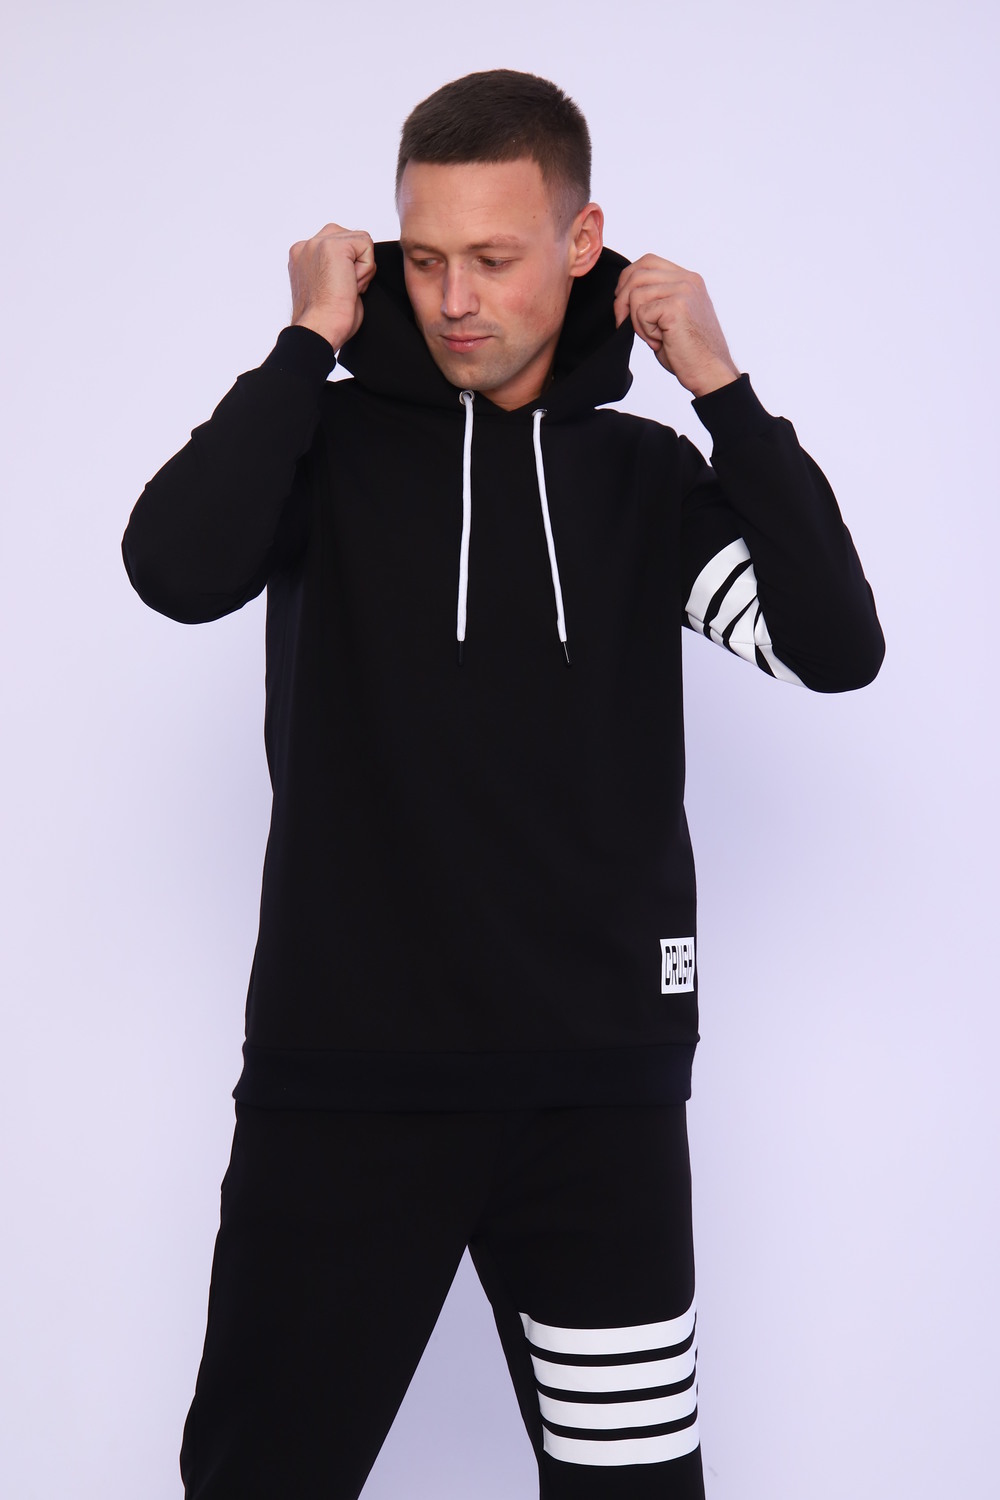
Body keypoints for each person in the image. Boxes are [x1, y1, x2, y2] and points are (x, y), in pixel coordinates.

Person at [122, 68, 884, 1500]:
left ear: (583, 242)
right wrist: (306, 340)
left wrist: (725, 391)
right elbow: (173, 566)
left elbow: (836, 648)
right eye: (424, 260)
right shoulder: (320, 451)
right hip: (345, 1094)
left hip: (599, 1104)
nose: (456, 300)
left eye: (493, 256)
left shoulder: (644, 481)